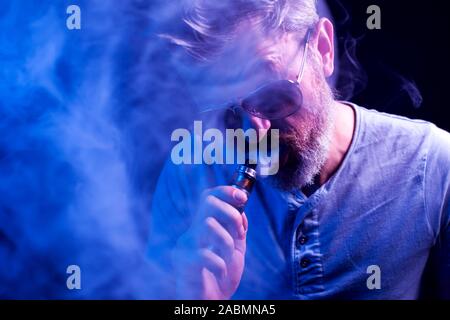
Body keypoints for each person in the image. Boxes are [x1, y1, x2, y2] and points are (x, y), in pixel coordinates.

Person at [148, 0, 450, 299]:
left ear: (322, 48)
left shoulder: (431, 165)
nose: (254, 133)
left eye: (270, 96)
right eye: (228, 112)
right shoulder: (190, 174)